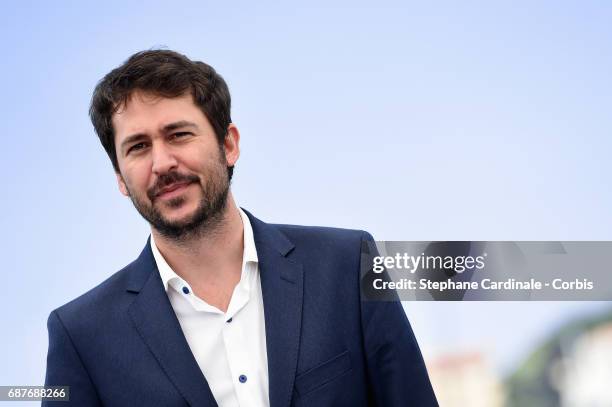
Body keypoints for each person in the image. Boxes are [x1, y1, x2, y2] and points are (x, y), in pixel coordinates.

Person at [43, 50, 438, 406]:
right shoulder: (82, 337)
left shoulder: (347, 264)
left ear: (228, 144)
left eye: (178, 134)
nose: (161, 163)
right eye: (138, 147)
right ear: (120, 178)